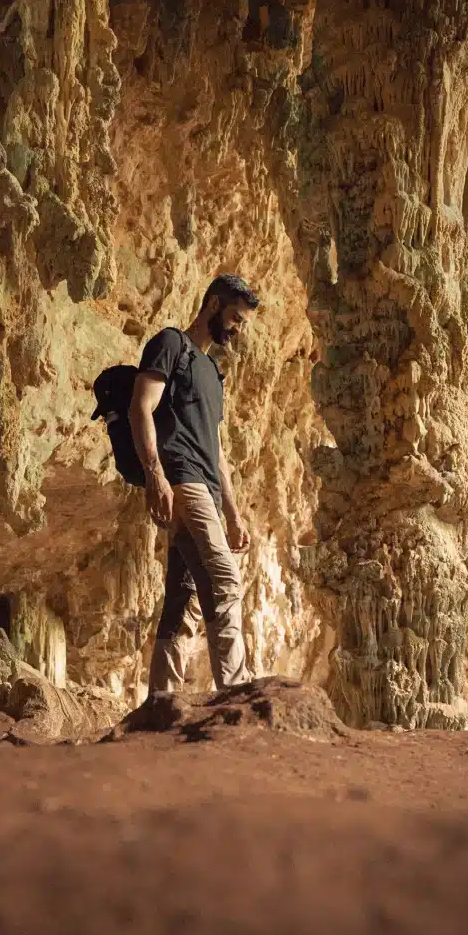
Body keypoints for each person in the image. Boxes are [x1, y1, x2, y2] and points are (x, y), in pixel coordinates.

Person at [129, 273, 260, 694]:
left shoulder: (213, 374)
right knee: (226, 579)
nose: (238, 328)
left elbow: (218, 452)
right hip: (182, 479)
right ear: (214, 304)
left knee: (183, 596)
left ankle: (161, 698)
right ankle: (235, 690)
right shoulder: (171, 344)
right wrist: (155, 476)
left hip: (205, 484)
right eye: (236, 317)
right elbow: (140, 408)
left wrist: (234, 513)